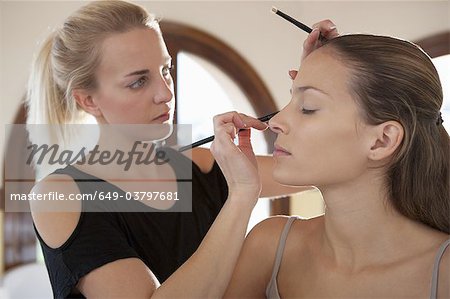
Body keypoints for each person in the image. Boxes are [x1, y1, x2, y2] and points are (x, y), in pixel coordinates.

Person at [25, 1, 309, 297]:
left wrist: (315, 78)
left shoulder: (199, 166)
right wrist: (240, 196)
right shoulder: (58, 197)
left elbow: (317, 167)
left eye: (166, 70)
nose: (165, 92)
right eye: (138, 82)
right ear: (88, 100)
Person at [222, 27, 450, 298]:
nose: (275, 122)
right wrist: (241, 194)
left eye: (307, 107)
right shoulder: (269, 248)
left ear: (382, 140)